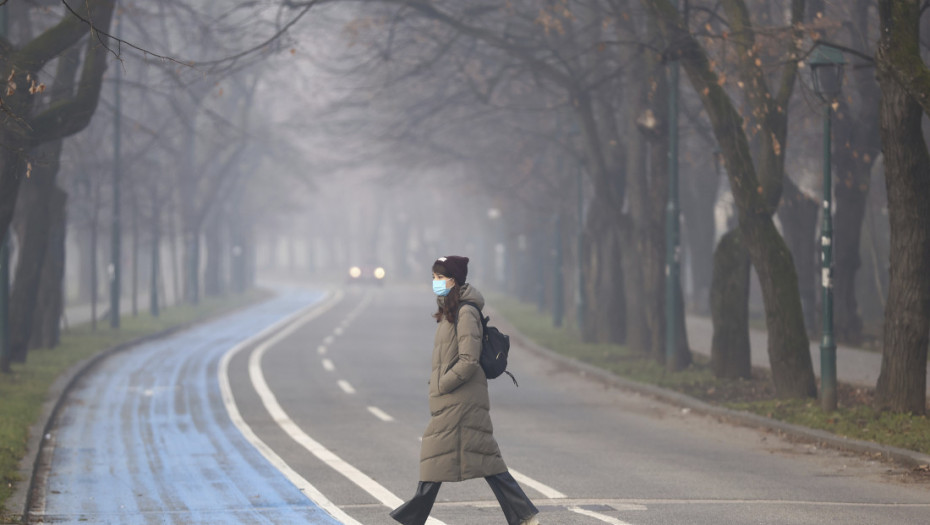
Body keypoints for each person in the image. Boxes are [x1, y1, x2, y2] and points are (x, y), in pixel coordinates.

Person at [390, 256, 540, 525]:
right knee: (482, 458)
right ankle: (524, 516)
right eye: (433, 277)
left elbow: (469, 360)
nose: (435, 283)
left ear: (454, 280)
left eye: (440, 278)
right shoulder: (451, 309)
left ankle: (412, 518)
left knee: (440, 454)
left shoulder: (466, 311)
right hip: (456, 398)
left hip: (461, 398)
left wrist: (443, 384)